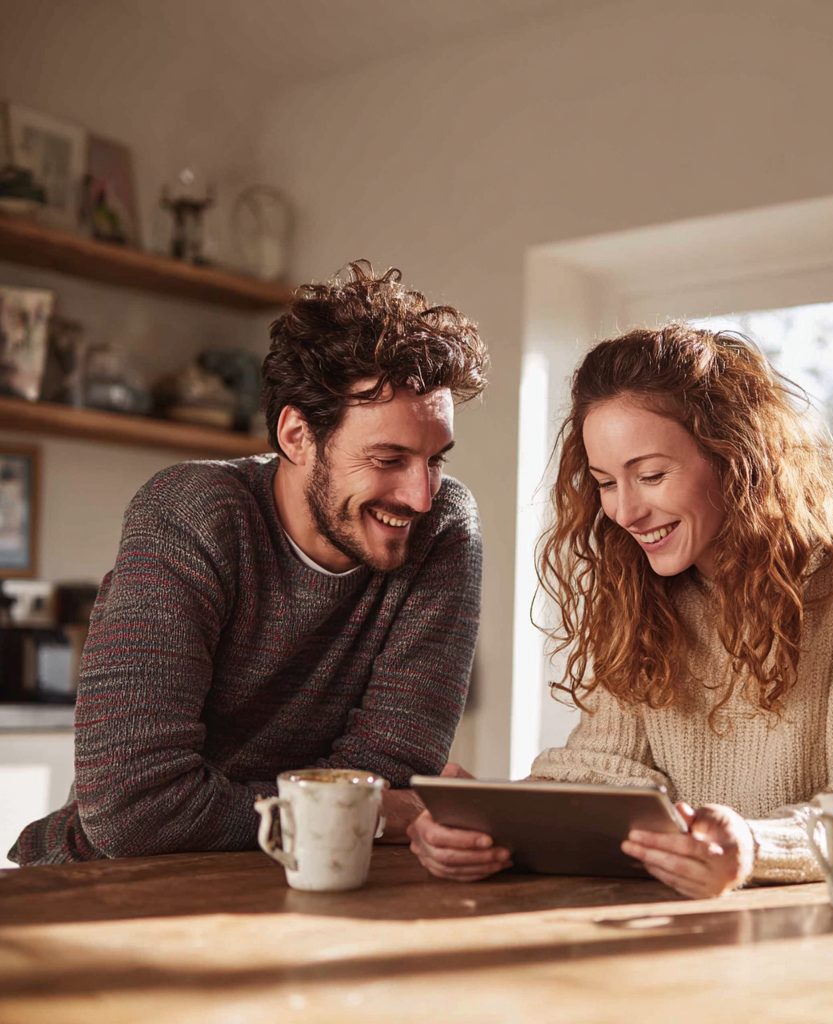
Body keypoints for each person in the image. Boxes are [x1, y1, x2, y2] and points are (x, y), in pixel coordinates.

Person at [408, 322, 833, 895]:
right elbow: (606, 770)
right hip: (703, 919)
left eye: (651, 475)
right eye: (606, 483)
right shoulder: (639, 588)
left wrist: (753, 848)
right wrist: (494, 826)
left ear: (735, 456)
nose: (626, 511)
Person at [12, 260, 487, 865]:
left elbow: (392, 770)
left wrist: (362, 810)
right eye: (389, 458)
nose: (420, 496)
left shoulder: (443, 526)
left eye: (436, 459)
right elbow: (133, 811)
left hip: (310, 880)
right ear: (296, 436)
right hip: (110, 884)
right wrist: (369, 812)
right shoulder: (192, 513)